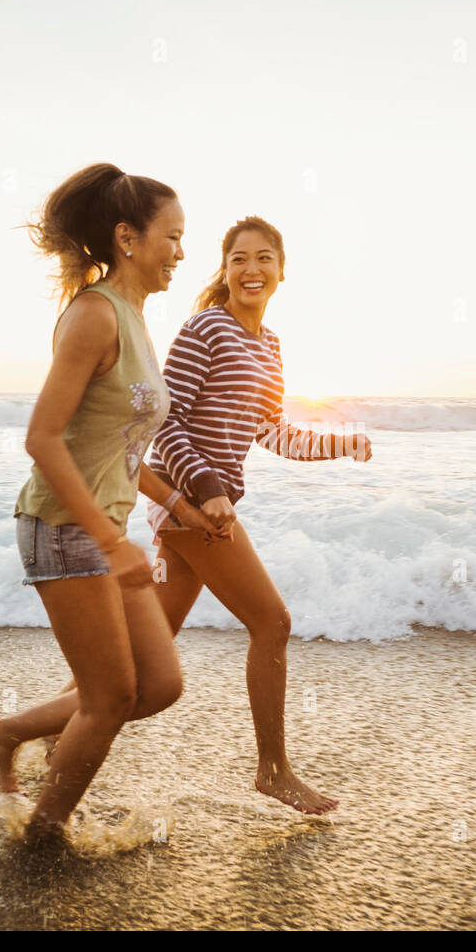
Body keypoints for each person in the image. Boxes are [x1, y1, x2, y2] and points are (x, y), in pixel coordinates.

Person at [46, 216, 372, 815]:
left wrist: (339, 443)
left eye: (264, 258)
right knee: (272, 622)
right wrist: (205, 488)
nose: (252, 269)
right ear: (224, 270)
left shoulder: (268, 345)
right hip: (190, 509)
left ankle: (37, 729)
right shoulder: (206, 329)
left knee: (144, 657)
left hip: (203, 511)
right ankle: (273, 771)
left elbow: (273, 432)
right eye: (239, 259)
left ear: (282, 270)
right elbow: (161, 422)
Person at [0, 163, 221, 840]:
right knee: (111, 695)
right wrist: (112, 544)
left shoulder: (137, 318)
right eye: (172, 236)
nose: (180, 251)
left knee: (159, 685)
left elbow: (121, 444)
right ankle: (45, 831)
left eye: (183, 238)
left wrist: (179, 506)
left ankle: (7, 732)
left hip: (103, 528)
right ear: (127, 237)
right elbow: (43, 438)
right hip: (62, 526)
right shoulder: (93, 314)